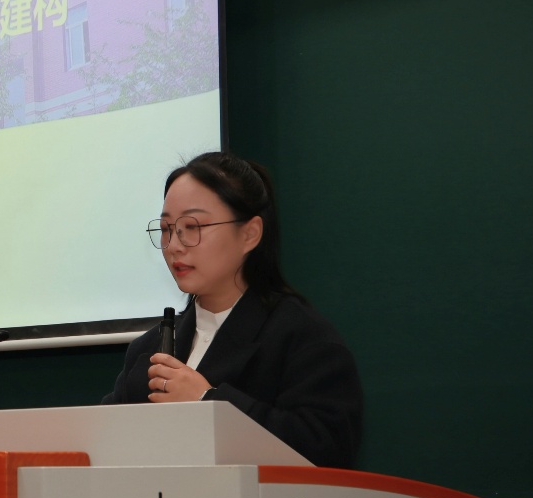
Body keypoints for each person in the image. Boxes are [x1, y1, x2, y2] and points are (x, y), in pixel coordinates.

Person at [101, 152, 363, 468]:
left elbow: (327, 450)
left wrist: (207, 400)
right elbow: (103, 443)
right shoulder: (148, 349)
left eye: (192, 226)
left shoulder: (302, 337)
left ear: (250, 234)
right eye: (167, 228)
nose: (174, 245)